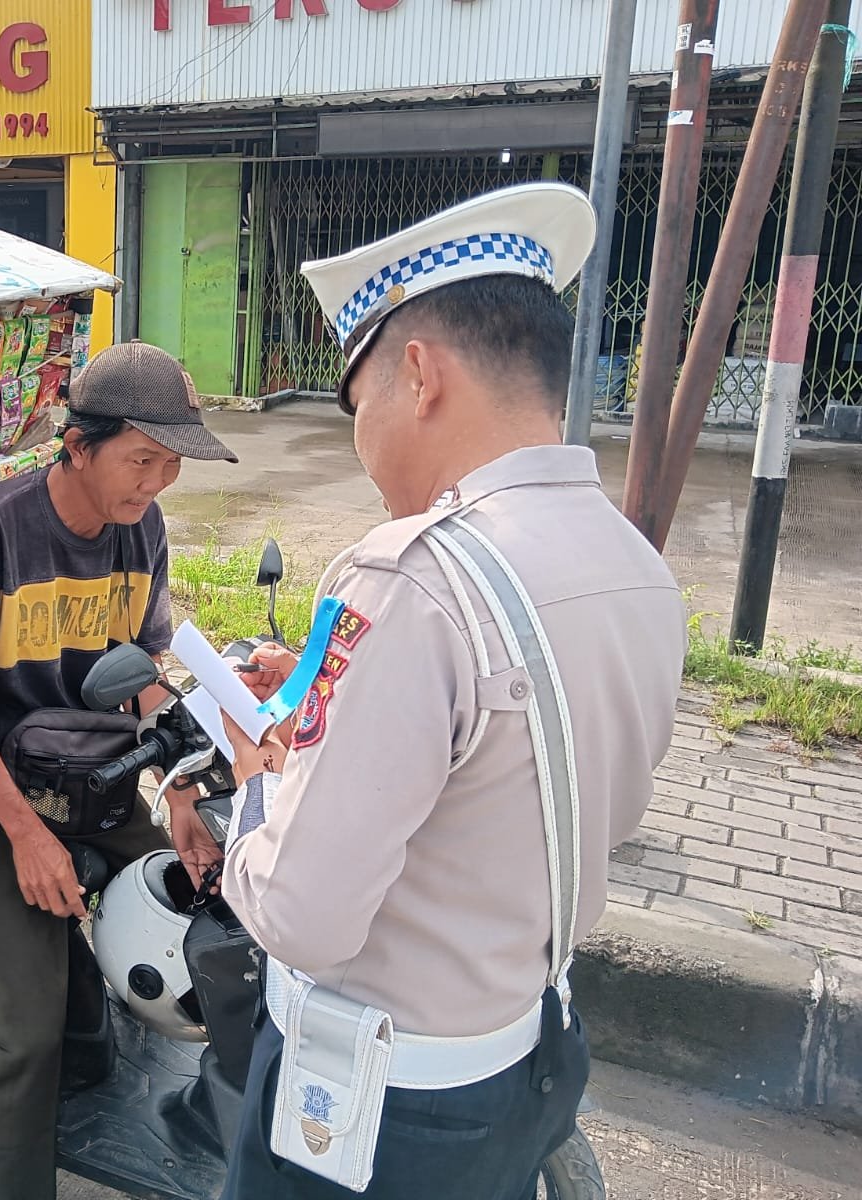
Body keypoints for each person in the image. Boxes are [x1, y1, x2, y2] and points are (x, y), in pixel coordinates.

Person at [217, 183, 686, 1200]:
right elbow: (582, 801)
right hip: (525, 1062)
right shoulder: (635, 565)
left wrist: (256, 781)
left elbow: (301, 916)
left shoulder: (410, 575)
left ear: (419, 375)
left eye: (357, 404)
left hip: (373, 1117)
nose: (358, 436)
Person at [0, 341, 236, 1200]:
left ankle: (129, 1084)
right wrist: (23, 835)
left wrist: (184, 789)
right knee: (31, 1028)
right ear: (78, 445)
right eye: (141, 460)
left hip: (90, 777)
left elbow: (146, 670)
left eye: (169, 466)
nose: (154, 484)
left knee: (217, 911)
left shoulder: (139, 529)